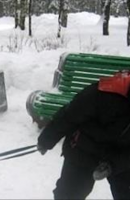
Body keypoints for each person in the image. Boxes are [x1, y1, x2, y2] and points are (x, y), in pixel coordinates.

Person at [37, 70, 130, 199]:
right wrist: (46, 139)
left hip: (121, 154)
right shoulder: (106, 91)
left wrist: (113, 165)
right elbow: (70, 115)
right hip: (84, 148)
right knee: (68, 194)